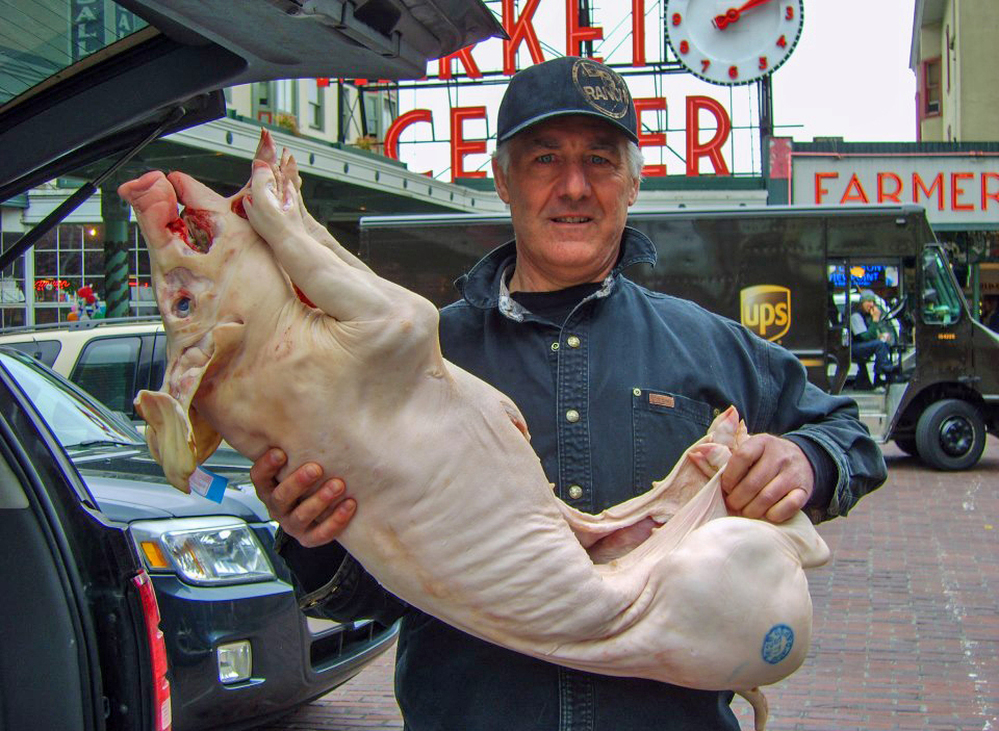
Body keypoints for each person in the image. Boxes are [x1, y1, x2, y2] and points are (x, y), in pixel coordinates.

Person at [249, 57, 887, 730]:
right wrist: (313, 534)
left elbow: (850, 438)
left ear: (633, 182)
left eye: (601, 161)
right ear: (502, 179)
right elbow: (363, 598)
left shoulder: (707, 345)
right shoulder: (415, 360)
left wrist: (805, 462)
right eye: (544, 158)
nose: (574, 187)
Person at [850, 289, 896, 388]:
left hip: (861, 344)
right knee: (879, 345)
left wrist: (880, 335)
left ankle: (878, 375)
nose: (871, 304)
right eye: (868, 301)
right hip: (853, 347)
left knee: (883, 343)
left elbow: (871, 334)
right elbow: (865, 337)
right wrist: (875, 320)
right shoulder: (855, 316)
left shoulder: (867, 316)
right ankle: (886, 372)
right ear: (862, 303)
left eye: (872, 302)